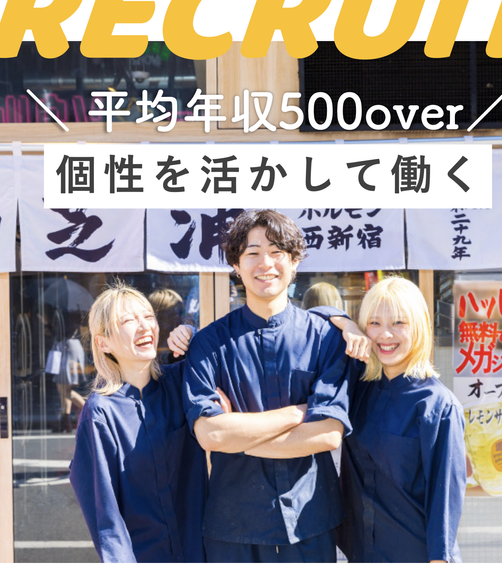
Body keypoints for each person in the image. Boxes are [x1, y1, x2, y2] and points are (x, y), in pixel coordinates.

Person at [177, 209, 353, 563]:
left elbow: (327, 435)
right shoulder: (208, 344)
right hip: (234, 525)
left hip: (309, 522)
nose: (266, 264)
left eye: (277, 252)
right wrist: (299, 412)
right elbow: (210, 435)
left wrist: (237, 436)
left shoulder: (326, 339)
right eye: (253, 253)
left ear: (295, 262)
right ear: (236, 266)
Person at [320, 277, 467, 563]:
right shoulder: (360, 389)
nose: (385, 334)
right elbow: (316, 314)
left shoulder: (437, 405)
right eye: (374, 323)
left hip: (414, 554)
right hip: (362, 553)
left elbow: (446, 498)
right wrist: (348, 326)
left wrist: (440, 559)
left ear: (418, 326)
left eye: (398, 322)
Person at [69, 283, 207, 563]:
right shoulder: (100, 413)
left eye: (148, 317)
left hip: (201, 552)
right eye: (128, 321)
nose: (145, 327)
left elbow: (227, 357)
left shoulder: (182, 382)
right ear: (103, 343)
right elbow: (105, 515)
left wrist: (194, 338)